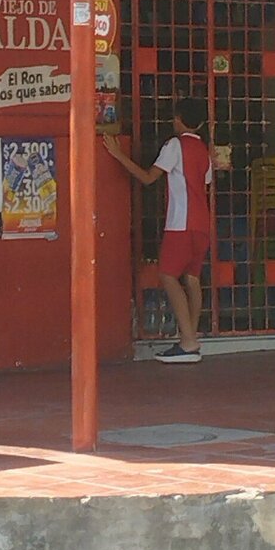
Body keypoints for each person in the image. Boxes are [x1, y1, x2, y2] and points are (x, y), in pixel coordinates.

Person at [103, 97, 212, 364]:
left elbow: (148, 178)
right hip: (202, 223)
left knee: (167, 275)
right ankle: (190, 337)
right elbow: (205, 182)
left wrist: (118, 154)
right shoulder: (203, 150)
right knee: (192, 279)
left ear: (179, 119)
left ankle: (188, 342)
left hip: (181, 223)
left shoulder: (175, 145)